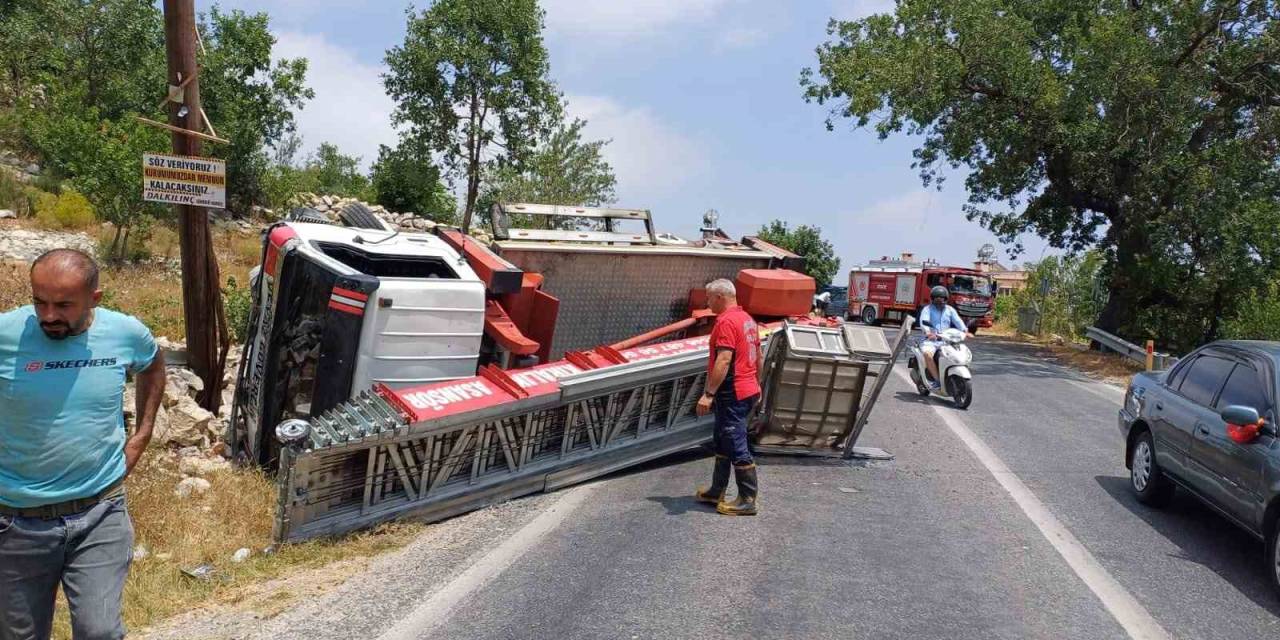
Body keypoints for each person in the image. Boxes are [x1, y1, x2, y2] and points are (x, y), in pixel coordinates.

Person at [0, 249, 166, 640]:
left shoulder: (125, 332)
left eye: (63, 305)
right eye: (39, 301)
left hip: (100, 513)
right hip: (16, 523)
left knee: (100, 631)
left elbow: (153, 363)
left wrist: (141, 437)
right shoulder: (5, 335)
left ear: (95, 298)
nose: (48, 316)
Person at [694, 279, 762, 516]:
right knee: (722, 439)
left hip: (732, 391)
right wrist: (757, 384)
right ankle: (717, 490)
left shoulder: (726, 321)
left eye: (710, 298)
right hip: (747, 387)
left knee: (735, 442)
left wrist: (708, 394)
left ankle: (747, 499)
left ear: (720, 297)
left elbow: (724, 360)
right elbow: (758, 357)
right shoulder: (747, 320)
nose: (708, 302)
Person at [918, 285, 970, 390]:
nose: (939, 300)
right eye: (937, 297)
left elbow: (958, 321)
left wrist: (965, 331)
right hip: (930, 341)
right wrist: (928, 332)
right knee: (927, 354)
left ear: (946, 298)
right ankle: (937, 380)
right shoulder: (927, 309)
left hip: (946, 341)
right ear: (932, 298)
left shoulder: (950, 310)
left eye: (941, 298)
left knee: (957, 355)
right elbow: (924, 322)